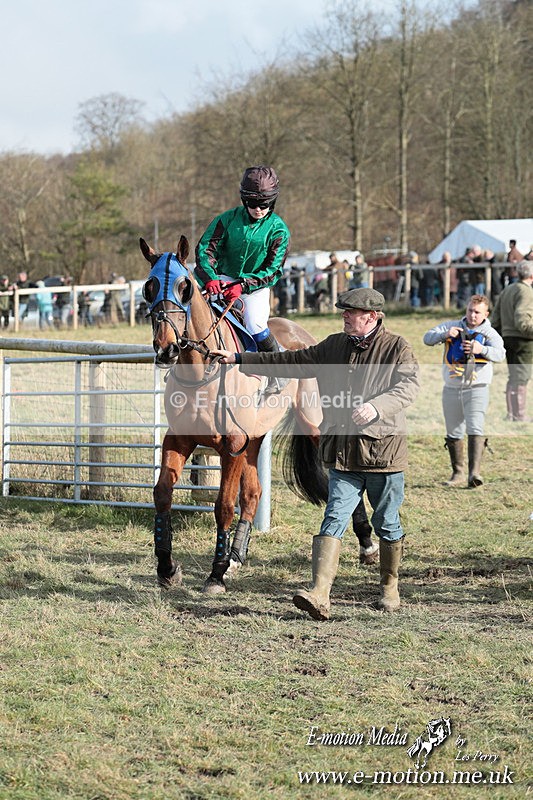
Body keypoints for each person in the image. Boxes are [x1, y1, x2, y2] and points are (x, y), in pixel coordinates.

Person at [211, 287, 420, 618]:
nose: (344, 317)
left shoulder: (397, 348)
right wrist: (239, 358)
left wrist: (376, 408)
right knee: (333, 518)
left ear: (372, 317)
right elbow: (292, 361)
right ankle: (320, 593)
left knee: (387, 522)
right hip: (343, 453)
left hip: (383, 455)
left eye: (350, 312)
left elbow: (408, 388)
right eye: (344, 312)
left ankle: (389, 587)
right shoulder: (335, 345)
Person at [194, 165, 291, 394]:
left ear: (272, 202)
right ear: (243, 200)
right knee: (194, 316)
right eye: (252, 203)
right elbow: (205, 250)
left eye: (264, 204)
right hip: (222, 279)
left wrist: (243, 285)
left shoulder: (278, 230)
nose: (258, 209)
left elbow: (272, 270)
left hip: (256, 286)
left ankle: (278, 372)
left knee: (256, 325)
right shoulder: (226, 220)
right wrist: (210, 278)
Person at [423, 295, 505, 488]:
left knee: (475, 427)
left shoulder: (490, 333)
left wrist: (481, 349)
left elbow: (500, 354)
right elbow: (426, 338)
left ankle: (474, 474)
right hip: (451, 387)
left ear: (486, 313)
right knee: (453, 430)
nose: (472, 315)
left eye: (477, 312)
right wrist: (444, 335)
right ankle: (457, 473)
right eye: (470, 310)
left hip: (477, 388)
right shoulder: (452, 326)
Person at [491, 261, 533, 422]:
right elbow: (522, 320)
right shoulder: (527, 291)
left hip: (507, 338)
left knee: (513, 376)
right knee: (522, 377)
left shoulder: (507, 289)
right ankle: (520, 415)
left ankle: (511, 414)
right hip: (523, 339)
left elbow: (495, 318)